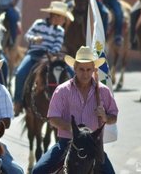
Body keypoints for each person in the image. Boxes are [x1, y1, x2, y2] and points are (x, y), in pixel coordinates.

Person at [31, 46, 118, 174]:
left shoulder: (103, 91)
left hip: (93, 145)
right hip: (67, 143)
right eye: (81, 69)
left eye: (89, 69)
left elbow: (114, 117)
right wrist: (72, 128)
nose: (85, 73)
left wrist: (105, 117)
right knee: (38, 171)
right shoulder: (62, 90)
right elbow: (53, 119)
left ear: (94, 70)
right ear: (75, 68)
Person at [13, 1, 74, 116]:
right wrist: (34, 38)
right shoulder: (39, 23)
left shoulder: (60, 31)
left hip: (49, 57)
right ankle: (17, 102)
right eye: (63, 18)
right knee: (20, 73)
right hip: (33, 54)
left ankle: (72, 103)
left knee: (70, 72)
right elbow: (27, 35)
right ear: (54, 16)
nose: (64, 21)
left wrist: (51, 54)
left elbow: (57, 45)